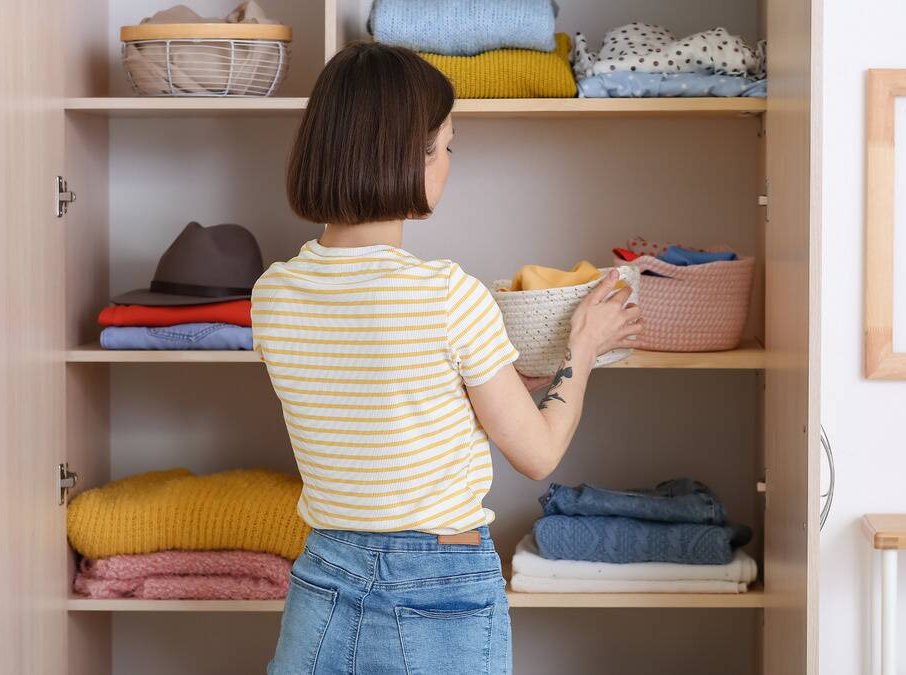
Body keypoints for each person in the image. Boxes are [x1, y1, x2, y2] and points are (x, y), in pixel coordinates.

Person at [257, 42, 640, 674]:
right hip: (438, 583)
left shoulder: (271, 295)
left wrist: (505, 382)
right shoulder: (445, 292)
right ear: (412, 154)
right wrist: (584, 347)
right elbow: (538, 454)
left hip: (323, 576)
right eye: (449, 145)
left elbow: (385, 400)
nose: (450, 164)